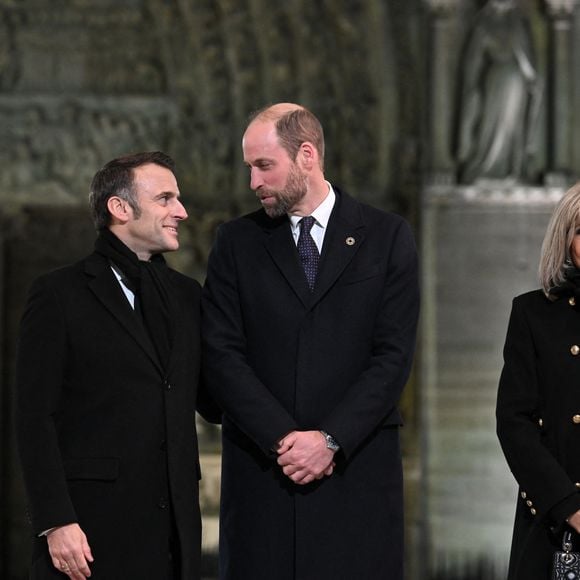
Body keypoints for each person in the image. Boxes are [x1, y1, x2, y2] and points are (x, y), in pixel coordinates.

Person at [202, 103, 420, 579]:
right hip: (264, 479)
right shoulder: (235, 243)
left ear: (306, 155)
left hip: (355, 476)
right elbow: (221, 355)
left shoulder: (386, 237)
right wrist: (285, 440)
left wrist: (330, 439)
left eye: (264, 166)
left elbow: (393, 356)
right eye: (249, 168)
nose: (253, 183)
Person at [16, 151, 204, 579]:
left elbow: (213, 395)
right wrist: (56, 521)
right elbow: (34, 417)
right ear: (119, 208)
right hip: (88, 534)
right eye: (166, 199)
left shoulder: (187, 295)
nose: (182, 211)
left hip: (173, 537)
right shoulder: (58, 294)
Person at [497, 183, 580, 579]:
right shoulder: (533, 314)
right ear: (566, 241)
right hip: (554, 522)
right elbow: (514, 423)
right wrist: (569, 506)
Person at [455, 0, 540, 184]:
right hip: (493, 79)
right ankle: (486, 167)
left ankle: (513, 169)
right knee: (489, 124)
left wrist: (532, 78)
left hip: (515, 81)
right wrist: (472, 90)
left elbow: (526, 57)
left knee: (512, 125)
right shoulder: (483, 23)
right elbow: (472, 62)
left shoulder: (517, 23)